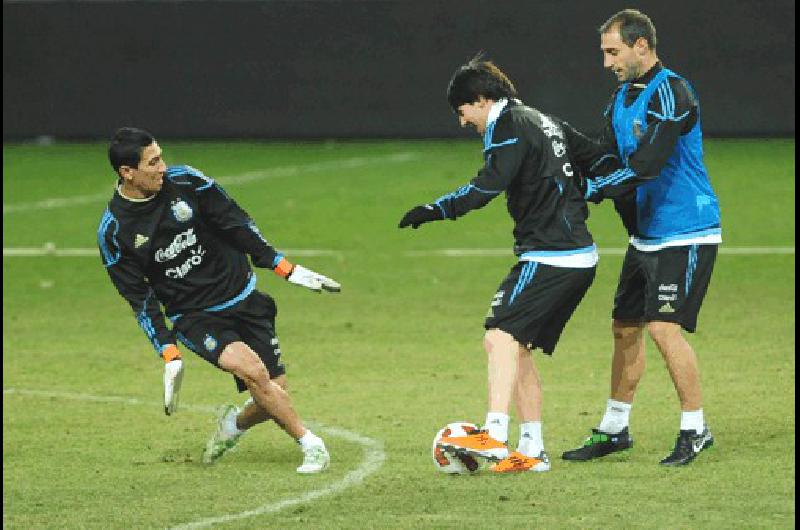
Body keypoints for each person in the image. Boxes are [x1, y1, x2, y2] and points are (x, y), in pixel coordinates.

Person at [398, 54, 611, 473]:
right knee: (517, 348)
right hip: (576, 254)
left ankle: (494, 433)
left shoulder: (508, 126)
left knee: (498, 337)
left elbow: (488, 184)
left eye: (463, 112)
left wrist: (435, 209)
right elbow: (595, 155)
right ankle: (532, 450)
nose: (463, 123)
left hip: (552, 255)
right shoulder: (540, 119)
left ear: (480, 99)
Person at [98, 127, 340, 473]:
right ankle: (311, 445)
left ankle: (233, 425)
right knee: (255, 372)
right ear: (127, 172)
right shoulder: (114, 231)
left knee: (274, 390)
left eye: (161, 156)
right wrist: (168, 353)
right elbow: (139, 298)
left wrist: (281, 266)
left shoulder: (187, 182)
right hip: (196, 317)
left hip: (243, 297)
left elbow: (235, 222)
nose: (163, 166)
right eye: (153, 162)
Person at [561, 9, 721, 466]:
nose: (607, 61)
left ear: (642, 46)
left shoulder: (673, 92)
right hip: (646, 234)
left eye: (613, 51)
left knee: (663, 327)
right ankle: (615, 428)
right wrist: (556, 139)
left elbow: (645, 166)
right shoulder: (620, 100)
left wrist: (589, 191)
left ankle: (695, 428)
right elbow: (607, 156)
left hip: (686, 230)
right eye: (604, 52)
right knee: (625, 327)